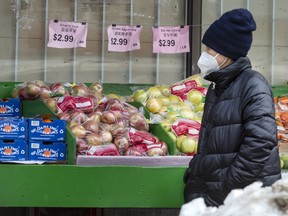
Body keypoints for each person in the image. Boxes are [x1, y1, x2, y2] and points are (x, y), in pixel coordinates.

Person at [183, 8, 282, 207]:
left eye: (210, 50)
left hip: (242, 200)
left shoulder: (253, 85)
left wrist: (227, 187)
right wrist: (195, 172)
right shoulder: (218, 85)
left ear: (227, 53)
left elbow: (260, 144)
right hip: (220, 195)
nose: (205, 55)